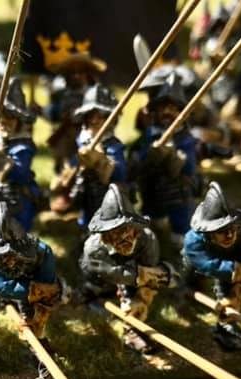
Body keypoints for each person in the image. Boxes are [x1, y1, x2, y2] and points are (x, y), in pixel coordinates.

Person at [80, 185, 177, 354]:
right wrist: (140, 275)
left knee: (140, 296)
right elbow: (111, 272)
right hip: (104, 274)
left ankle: (133, 327)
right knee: (95, 285)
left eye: (127, 229)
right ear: (105, 235)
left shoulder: (147, 239)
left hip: (133, 273)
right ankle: (92, 295)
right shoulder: (93, 248)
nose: (124, 237)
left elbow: (149, 272)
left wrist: (141, 296)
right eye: (116, 232)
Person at [0, 202, 64, 379]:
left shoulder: (42, 253)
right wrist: (27, 292)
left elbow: (45, 284)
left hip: (34, 284)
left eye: (14, 256)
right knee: (11, 297)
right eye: (4, 257)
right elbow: (4, 286)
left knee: (48, 303)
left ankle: (40, 340)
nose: (10, 261)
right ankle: (18, 309)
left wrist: (43, 294)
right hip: (13, 288)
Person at [183, 182, 241, 351]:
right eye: (221, 230)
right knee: (189, 277)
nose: (230, 235)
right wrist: (233, 269)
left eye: (233, 228)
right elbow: (205, 264)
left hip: (232, 263)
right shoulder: (193, 241)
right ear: (208, 231)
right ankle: (187, 293)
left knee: (232, 289)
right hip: (199, 263)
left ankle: (226, 323)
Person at [129, 71, 201, 249]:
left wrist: (174, 156)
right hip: (152, 186)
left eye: (173, 108)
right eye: (163, 108)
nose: (167, 112)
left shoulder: (186, 139)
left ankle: (180, 237)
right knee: (152, 213)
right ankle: (154, 229)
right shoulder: (150, 133)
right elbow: (141, 157)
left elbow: (189, 168)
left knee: (180, 214)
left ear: (182, 113)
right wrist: (148, 155)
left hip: (176, 189)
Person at [55, 83, 128, 232]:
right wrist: (69, 172)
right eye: (90, 116)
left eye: (99, 116)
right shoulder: (82, 140)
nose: (94, 121)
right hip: (85, 188)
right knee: (86, 213)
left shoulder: (113, 145)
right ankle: (86, 231)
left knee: (104, 215)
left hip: (105, 193)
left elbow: (120, 172)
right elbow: (76, 162)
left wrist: (103, 160)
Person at [0, 77, 42, 233]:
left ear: (19, 121)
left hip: (17, 199)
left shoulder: (23, 146)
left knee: (18, 233)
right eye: (1, 116)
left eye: (10, 117)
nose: (4, 121)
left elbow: (20, 173)